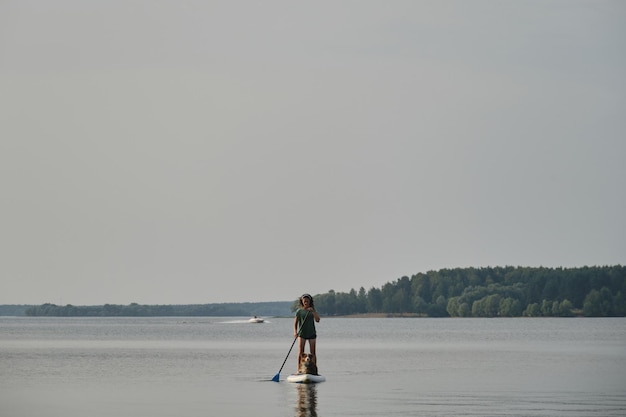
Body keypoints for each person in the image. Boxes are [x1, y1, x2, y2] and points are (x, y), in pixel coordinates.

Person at [294, 293, 321, 373]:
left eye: (307, 300)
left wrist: (313, 311)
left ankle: (314, 370)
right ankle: (299, 369)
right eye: (304, 300)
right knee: (300, 352)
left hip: (311, 333)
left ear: (309, 301)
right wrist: (295, 332)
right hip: (302, 333)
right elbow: (295, 323)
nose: (306, 302)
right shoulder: (299, 311)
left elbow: (318, 320)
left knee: (313, 352)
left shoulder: (313, 310)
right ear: (302, 301)